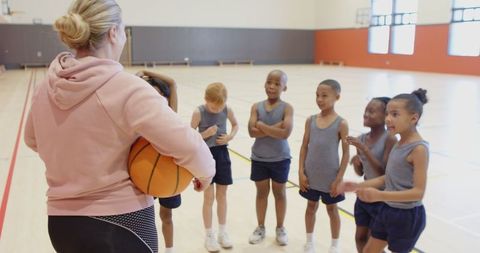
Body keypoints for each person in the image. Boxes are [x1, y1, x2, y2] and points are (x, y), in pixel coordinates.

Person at [23, 1, 215, 253]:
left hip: (62, 225)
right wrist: (205, 173)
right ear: (114, 32)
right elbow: (189, 145)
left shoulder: (45, 88)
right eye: (125, 29)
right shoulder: (127, 88)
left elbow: (32, 139)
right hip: (121, 223)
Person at [338, 89, 429, 253]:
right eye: (387, 114)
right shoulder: (399, 143)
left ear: (414, 118)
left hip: (406, 216)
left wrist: (379, 195)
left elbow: (418, 193)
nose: (388, 119)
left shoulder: (419, 149)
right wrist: (358, 185)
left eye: (395, 114)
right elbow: (388, 178)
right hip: (388, 210)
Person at [298, 79, 349, 253]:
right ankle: (309, 242)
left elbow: (346, 154)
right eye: (317, 95)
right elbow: (304, 146)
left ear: (337, 97)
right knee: (310, 207)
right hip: (311, 176)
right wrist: (301, 172)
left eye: (324, 96)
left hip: (330, 179)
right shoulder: (310, 120)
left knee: (332, 209)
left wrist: (338, 179)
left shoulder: (341, 123)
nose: (320, 99)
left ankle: (335, 245)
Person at [191, 82, 239, 252]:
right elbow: (189, 137)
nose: (218, 110)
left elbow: (235, 125)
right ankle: (209, 235)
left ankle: (223, 232)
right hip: (205, 156)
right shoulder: (199, 112)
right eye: (214, 106)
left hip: (222, 154)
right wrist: (205, 134)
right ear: (206, 99)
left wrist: (230, 137)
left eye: (221, 106)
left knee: (222, 195)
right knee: (209, 198)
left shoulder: (227, 109)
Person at [248, 70, 293, 246]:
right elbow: (251, 132)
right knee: (261, 193)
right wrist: (275, 127)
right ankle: (260, 227)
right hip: (259, 158)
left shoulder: (287, 108)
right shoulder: (256, 106)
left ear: (284, 87)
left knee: (279, 193)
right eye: (269, 82)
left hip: (280, 159)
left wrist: (261, 125)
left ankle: (280, 227)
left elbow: (285, 134)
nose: (272, 86)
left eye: (277, 83)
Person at [136, 70, 181, 253]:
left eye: (160, 94)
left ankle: (169, 250)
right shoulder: (140, 118)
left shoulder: (171, 114)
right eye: (153, 94)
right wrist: (138, 80)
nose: (158, 98)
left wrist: (145, 71)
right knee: (146, 219)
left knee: (166, 215)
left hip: (168, 174)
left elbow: (172, 83)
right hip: (145, 173)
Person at [346, 97, 397, 253]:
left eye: (372, 111)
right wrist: (356, 163)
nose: (366, 114)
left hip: (381, 198)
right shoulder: (361, 139)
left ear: (385, 116)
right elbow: (361, 173)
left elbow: (384, 173)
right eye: (366, 110)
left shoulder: (389, 139)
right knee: (360, 238)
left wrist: (365, 151)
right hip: (363, 196)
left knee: (372, 243)